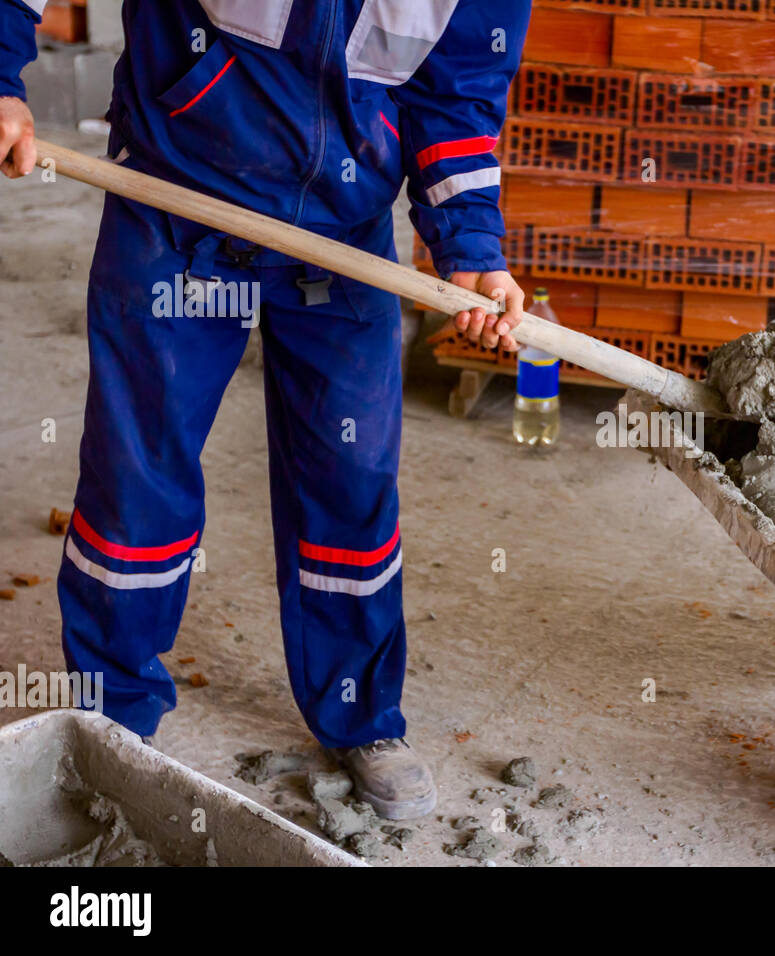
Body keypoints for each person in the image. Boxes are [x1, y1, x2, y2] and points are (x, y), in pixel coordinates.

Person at [0, 0, 532, 820]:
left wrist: (471, 249)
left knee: (351, 475)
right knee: (138, 469)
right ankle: (109, 717)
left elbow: (456, 95)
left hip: (341, 227)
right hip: (177, 195)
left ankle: (360, 715)